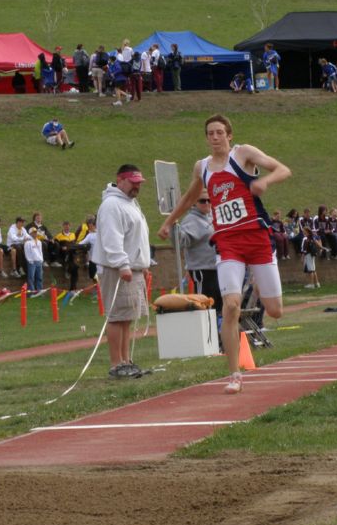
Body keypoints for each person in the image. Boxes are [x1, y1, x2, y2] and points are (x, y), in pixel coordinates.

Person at [157, 114, 291, 394]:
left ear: (229, 135)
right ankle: (234, 374)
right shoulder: (202, 167)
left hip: (256, 237)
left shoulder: (243, 154)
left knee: (276, 311)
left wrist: (266, 182)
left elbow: (282, 169)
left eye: (219, 132)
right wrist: (169, 222)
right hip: (227, 242)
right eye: (210, 133)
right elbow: (189, 197)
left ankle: (259, 282)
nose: (215, 137)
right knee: (230, 306)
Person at [92, 165, 151, 379]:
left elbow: (136, 237)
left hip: (132, 267)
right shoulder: (111, 205)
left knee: (128, 316)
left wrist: (142, 263)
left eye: (139, 182)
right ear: (120, 180)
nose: (137, 186)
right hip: (117, 269)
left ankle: (126, 360)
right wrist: (122, 264)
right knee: (117, 315)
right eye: (133, 182)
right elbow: (112, 238)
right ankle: (116, 363)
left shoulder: (130, 203)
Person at [179, 189, 224, 313]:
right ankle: (206, 331)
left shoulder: (208, 217)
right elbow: (182, 242)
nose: (207, 203)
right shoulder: (191, 219)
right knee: (205, 305)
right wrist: (173, 227)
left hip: (215, 268)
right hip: (203, 270)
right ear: (194, 203)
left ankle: (218, 331)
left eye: (209, 200)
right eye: (203, 201)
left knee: (217, 305)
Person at [24, 224, 44, 292]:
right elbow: (27, 253)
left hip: (39, 261)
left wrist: (41, 259)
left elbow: (40, 251)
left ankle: (39, 290)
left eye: (35, 232)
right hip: (32, 262)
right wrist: (30, 261)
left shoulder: (39, 242)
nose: (35, 234)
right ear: (30, 233)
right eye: (33, 232)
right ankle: (31, 291)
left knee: (39, 277)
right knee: (31, 278)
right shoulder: (28, 242)